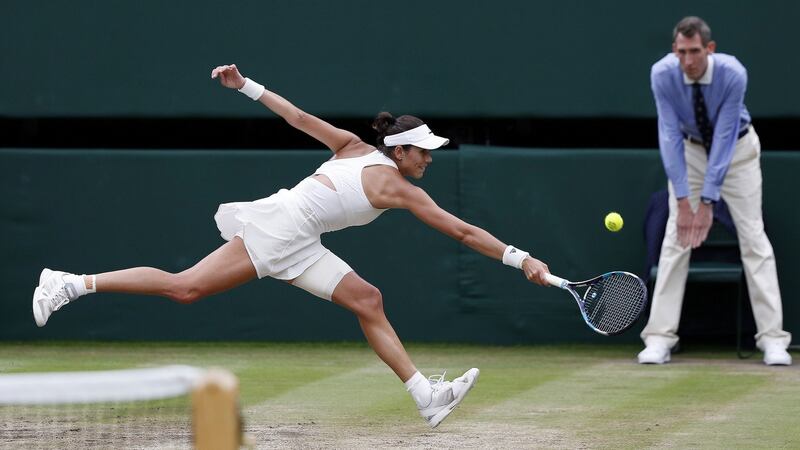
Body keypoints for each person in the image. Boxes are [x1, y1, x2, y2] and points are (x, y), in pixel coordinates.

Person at [31, 63, 552, 427]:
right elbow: (460, 230)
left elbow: (298, 118)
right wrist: (519, 257)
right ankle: (70, 283)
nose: (430, 160)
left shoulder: (356, 149)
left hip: (303, 240)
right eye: (425, 152)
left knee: (367, 299)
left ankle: (426, 398)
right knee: (186, 288)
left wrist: (243, 86)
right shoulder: (392, 182)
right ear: (401, 150)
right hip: (283, 228)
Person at [638, 16, 792, 366]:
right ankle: (659, 337)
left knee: (753, 236)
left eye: (694, 52)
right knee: (677, 237)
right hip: (690, 153)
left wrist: (707, 200)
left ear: (710, 49)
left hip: (737, 152)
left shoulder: (733, 74)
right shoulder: (662, 74)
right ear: (674, 51)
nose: (688, 61)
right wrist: (683, 199)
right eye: (681, 52)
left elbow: (723, 137)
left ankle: (772, 339)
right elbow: (669, 136)